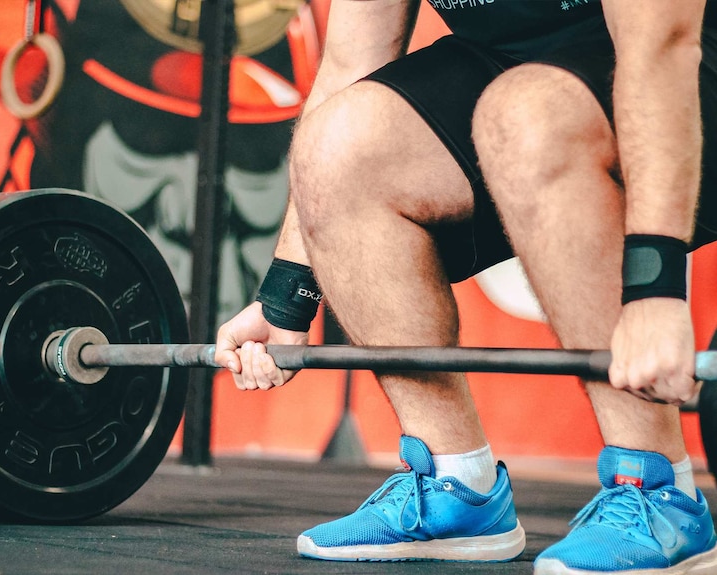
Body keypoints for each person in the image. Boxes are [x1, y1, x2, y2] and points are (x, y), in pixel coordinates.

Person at [214, 0, 717, 572]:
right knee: (341, 139)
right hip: (524, 81)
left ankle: (658, 491)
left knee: (527, 112)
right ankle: (455, 485)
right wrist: (288, 292)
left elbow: (664, 45)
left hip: (683, 71)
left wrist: (654, 291)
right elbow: (353, 59)